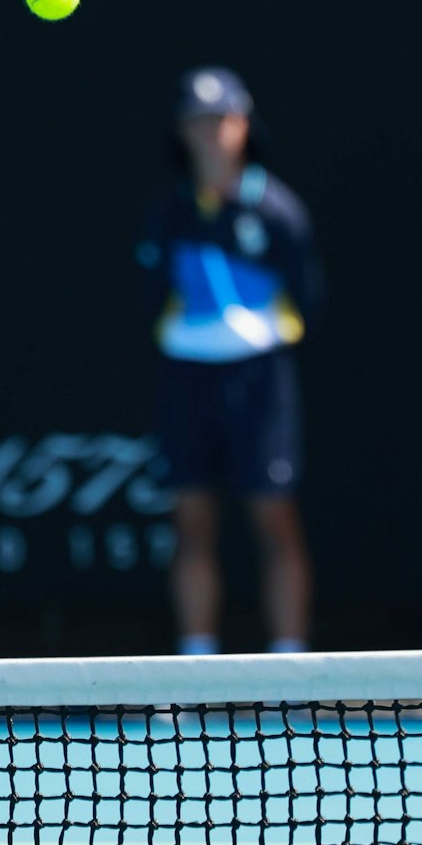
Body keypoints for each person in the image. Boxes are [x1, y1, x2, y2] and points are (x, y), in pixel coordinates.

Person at [137, 67, 319, 656]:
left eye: (221, 120)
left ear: (244, 126)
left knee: (275, 520)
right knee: (190, 521)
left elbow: (308, 298)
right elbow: (149, 296)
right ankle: (195, 665)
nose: (211, 133)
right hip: (186, 376)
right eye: (199, 122)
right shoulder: (169, 214)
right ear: (182, 133)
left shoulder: (279, 213)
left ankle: (290, 673)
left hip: (259, 378)